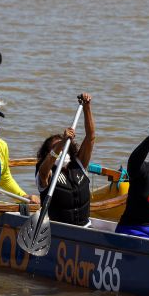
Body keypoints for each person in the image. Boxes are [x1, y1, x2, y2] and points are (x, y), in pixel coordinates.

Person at [35, 93, 95, 226]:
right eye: (57, 148)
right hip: (60, 231)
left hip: (85, 228)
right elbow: (45, 169)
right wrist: (62, 142)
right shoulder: (45, 173)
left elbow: (90, 137)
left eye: (64, 148)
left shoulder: (79, 164)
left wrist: (87, 107)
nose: (62, 151)